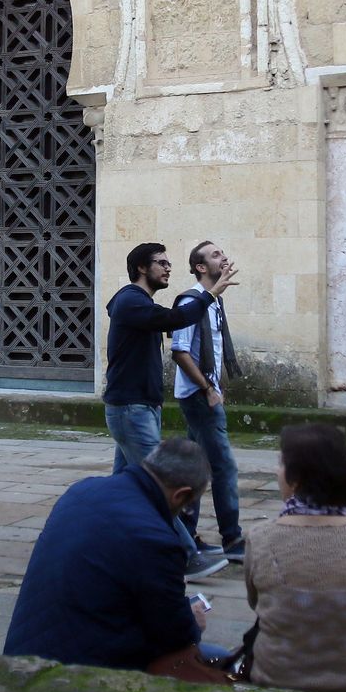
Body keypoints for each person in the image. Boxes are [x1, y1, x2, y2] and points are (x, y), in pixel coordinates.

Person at [4, 439, 216, 670]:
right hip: (79, 673)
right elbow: (173, 636)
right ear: (180, 495)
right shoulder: (156, 540)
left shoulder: (80, 490)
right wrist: (193, 622)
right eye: (188, 506)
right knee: (219, 659)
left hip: (22, 655)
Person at [103, 242, 237, 581]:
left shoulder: (138, 303)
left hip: (140, 406)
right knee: (158, 484)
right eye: (160, 263)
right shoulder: (131, 301)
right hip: (130, 409)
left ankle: (110, 543)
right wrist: (210, 294)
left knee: (126, 485)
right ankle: (186, 555)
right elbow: (176, 319)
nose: (168, 268)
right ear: (141, 269)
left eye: (168, 263)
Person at [243, 424, 346, 692]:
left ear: (296, 479)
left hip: (279, 685)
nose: (277, 473)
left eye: (281, 465)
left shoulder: (261, 537)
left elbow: (256, 602)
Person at [170, 239, 244, 563]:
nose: (224, 257)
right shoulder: (190, 302)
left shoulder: (214, 301)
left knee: (194, 467)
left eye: (223, 252)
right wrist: (207, 389)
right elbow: (180, 351)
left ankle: (188, 534)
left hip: (202, 394)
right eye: (216, 255)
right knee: (223, 466)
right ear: (201, 267)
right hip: (199, 398)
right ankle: (232, 538)